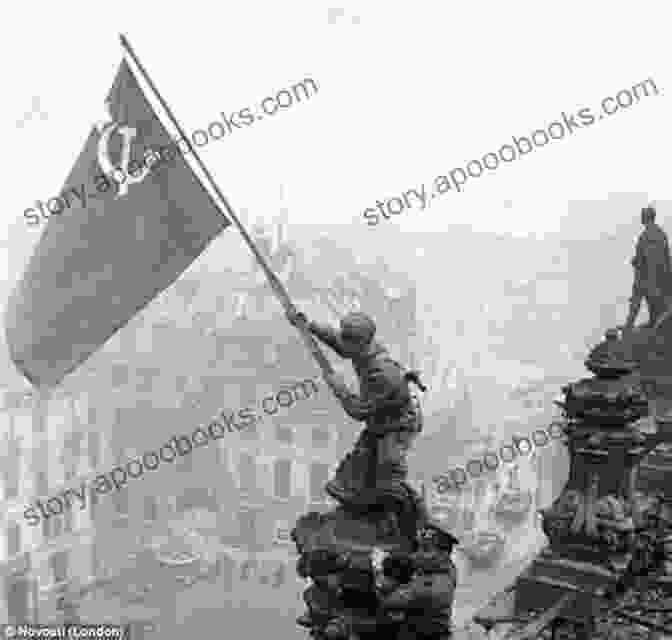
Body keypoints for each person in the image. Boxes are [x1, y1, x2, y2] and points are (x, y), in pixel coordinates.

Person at [286, 309, 426, 526]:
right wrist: (309, 326)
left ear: (360, 343)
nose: (344, 343)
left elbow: (358, 411)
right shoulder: (363, 349)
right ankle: (366, 515)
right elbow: (340, 344)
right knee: (351, 476)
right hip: (380, 419)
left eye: (348, 339)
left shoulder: (380, 373)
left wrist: (338, 387)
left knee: (388, 476)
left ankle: (413, 521)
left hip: (399, 425)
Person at [625, 205, 672, 329]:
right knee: (654, 306)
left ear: (646, 217)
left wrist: (638, 264)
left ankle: (629, 326)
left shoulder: (649, 235)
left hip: (649, 278)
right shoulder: (660, 234)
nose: (641, 217)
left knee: (637, 300)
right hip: (657, 278)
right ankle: (647, 322)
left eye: (643, 215)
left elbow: (653, 260)